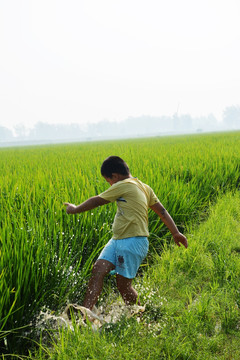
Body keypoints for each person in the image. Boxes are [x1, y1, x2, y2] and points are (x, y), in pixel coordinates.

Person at [64, 156, 188, 310]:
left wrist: (75, 209)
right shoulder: (145, 187)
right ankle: (85, 314)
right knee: (98, 270)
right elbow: (162, 211)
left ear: (115, 176)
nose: (109, 185)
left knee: (124, 286)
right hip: (117, 240)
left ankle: (139, 318)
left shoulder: (123, 184)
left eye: (108, 181)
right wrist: (175, 233)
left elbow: (97, 200)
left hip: (133, 242)